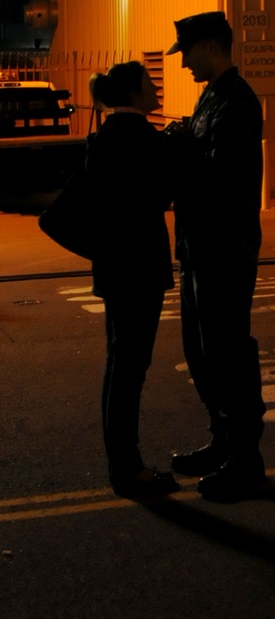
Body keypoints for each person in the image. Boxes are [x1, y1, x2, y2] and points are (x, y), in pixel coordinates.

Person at [166, 10, 266, 501]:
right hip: (200, 245)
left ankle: (244, 457)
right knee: (201, 351)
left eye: (186, 51)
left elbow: (218, 178)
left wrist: (182, 148)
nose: (183, 62)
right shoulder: (211, 97)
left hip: (225, 246)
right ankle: (222, 440)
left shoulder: (237, 103)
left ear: (209, 46)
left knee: (227, 352)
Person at [86, 62, 178, 499]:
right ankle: (128, 468)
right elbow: (163, 195)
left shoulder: (104, 136)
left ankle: (120, 462)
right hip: (140, 266)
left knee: (117, 363)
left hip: (113, 265)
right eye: (148, 82)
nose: (154, 88)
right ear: (134, 93)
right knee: (130, 368)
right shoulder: (142, 138)